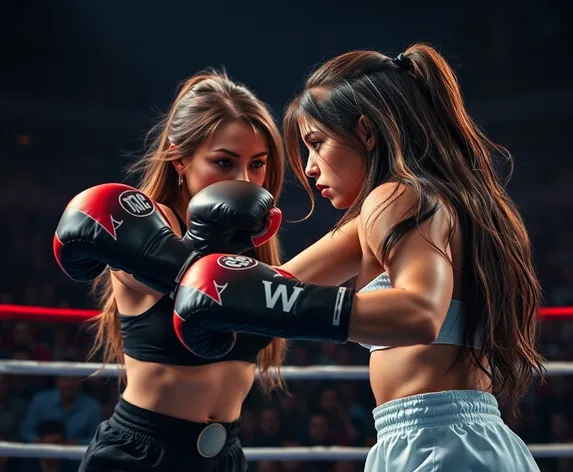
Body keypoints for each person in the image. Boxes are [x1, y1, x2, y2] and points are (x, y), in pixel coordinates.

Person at [174, 44, 544, 471]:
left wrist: (280, 305)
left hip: (439, 442)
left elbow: (420, 311)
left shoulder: (397, 197)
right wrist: (207, 253)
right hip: (438, 437)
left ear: (367, 133)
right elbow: (268, 288)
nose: (310, 168)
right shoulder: (412, 206)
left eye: (317, 143)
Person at [53, 71, 286, 471]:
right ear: (180, 158)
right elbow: (187, 280)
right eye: (224, 162)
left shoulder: (255, 248)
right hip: (141, 455)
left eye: (257, 164)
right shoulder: (149, 225)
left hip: (225, 456)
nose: (244, 181)